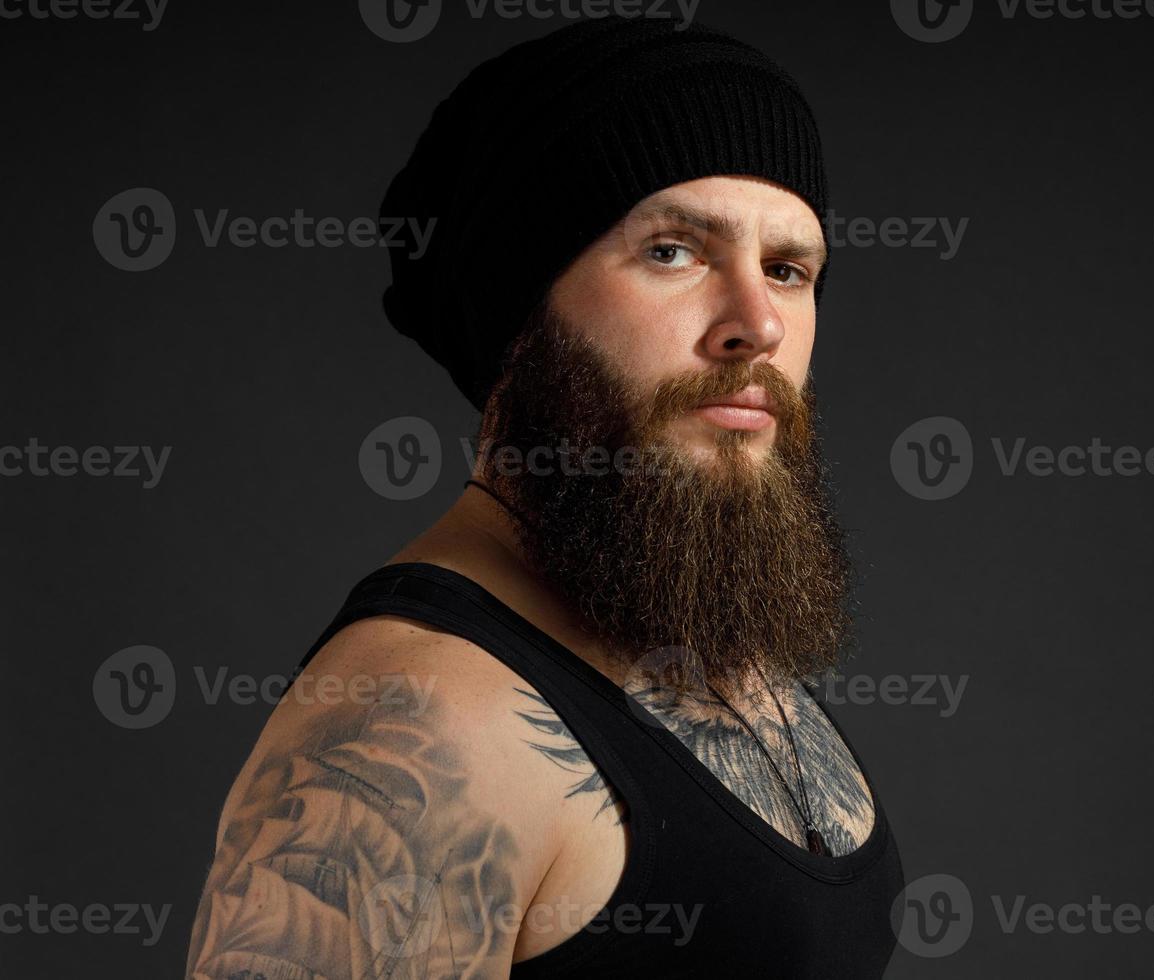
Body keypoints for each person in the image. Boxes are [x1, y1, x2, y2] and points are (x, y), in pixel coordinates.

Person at [184, 15, 903, 978]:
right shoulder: (419, 718)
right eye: (673, 252)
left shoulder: (691, 614)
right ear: (523, 313)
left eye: (787, 269)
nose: (759, 323)